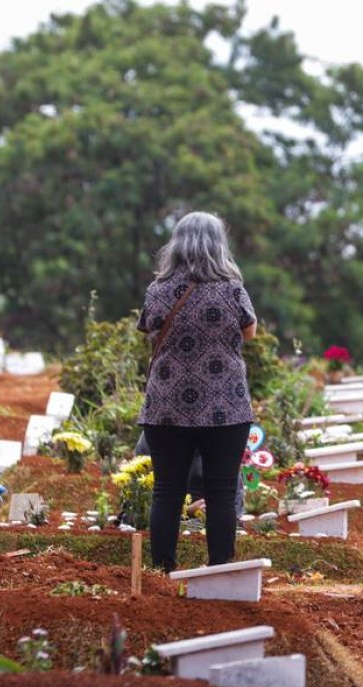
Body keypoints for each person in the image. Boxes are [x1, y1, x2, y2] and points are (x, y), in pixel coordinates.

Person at [136, 211, 256, 572]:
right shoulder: (233, 289)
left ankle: (162, 571)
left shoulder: (158, 291)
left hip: (167, 405)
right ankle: (220, 570)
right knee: (221, 493)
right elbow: (249, 332)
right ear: (219, 245)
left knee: (167, 491)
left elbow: (146, 330)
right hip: (226, 406)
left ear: (177, 244)